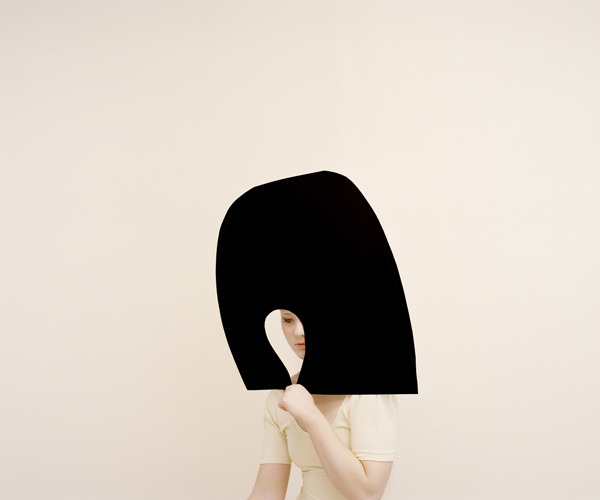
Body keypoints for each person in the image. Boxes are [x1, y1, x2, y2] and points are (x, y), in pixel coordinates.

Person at [247, 310, 398, 500]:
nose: (298, 331)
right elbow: (267, 492)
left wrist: (311, 417)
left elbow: (368, 494)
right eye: (288, 319)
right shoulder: (282, 395)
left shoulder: (369, 394)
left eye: (309, 317)